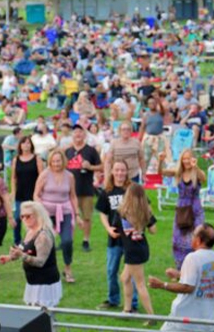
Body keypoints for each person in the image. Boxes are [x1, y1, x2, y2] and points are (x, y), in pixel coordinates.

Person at [149, 223, 214, 332]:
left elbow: (188, 287)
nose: (191, 237)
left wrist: (161, 285)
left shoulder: (192, 258)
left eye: (193, 235)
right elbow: (204, 278)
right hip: (208, 321)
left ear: (198, 240)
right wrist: (180, 275)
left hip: (184, 321)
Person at [0, 201, 62, 308]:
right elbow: (24, 249)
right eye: (22, 216)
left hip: (44, 283)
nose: (25, 219)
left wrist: (21, 255)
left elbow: (40, 262)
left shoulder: (43, 236)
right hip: (33, 280)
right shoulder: (30, 231)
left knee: (43, 315)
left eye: (28, 216)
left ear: (38, 216)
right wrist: (10, 257)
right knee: (35, 315)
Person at [95, 160, 138, 311]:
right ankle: (113, 299)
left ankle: (133, 303)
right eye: (117, 170)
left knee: (132, 272)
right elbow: (103, 213)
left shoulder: (132, 189)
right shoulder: (107, 191)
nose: (120, 173)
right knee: (111, 270)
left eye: (122, 170)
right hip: (114, 238)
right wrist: (108, 229)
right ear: (112, 172)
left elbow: (145, 207)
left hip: (131, 239)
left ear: (127, 172)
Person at [33, 150, 80, 283]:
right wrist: (41, 208)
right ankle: (46, 270)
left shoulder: (69, 176)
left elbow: (73, 196)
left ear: (63, 161)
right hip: (47, 212)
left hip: (64, 211)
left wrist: (77, 213)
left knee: (67, 241)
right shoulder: (44, 175)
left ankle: (67, 268)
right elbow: (36, 194)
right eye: (53, 161)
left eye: (58, 161)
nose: (56, 164)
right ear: (50, 162)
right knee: (46, 242)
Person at [116, 183, 157, 321]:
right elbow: (153, 231)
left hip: (132, 251)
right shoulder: (145, 212)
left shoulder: (122, 212)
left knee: (140, 284)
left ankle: (152, 317)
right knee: (125, 278)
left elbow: (115, 230)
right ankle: (127, 310)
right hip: (141, 247)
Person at [159, 150, 206, 268]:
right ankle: (180, 267)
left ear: (193, 159)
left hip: (195, 209)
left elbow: (204, 178)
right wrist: (160, 161)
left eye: (188, 158)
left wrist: (196, 167)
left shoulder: (196, 173)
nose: (186, 161)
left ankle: (195, 265)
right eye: (184, 158)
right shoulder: (178, 173)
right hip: (182, 209)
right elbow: (161, 172)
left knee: (196, 237)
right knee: (178, 239)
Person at [65, 124, 102, 252]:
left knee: (86, 217)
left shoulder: (90, 150)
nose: (78, 135)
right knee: (68, 218)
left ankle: (85, 240)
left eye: (80, 132)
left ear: (84, 135)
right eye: (75, 132)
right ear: (72, 135)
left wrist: (90, 167)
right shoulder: (67, 151)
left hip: (86, 190)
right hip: (69, 191)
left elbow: (101, 166)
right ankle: (68, 240)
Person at [11, 136, 43, 245]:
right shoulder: (16, 159)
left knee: (34, 217)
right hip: (20, 193)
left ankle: (34, 239)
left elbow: (41, 176)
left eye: (28, 143)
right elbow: (13, 177)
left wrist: (39, 192)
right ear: (20, 145)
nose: (26, 145)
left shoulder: (36, 159)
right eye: (23, 143)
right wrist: (13, 192)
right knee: (17, 217)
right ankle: (17, 241)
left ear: (31, 145)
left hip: (33, 193)